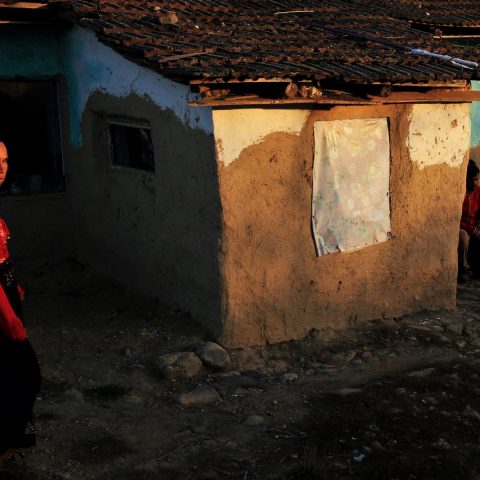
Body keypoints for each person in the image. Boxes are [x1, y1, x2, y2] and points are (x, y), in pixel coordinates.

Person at [0, 141, 41, 464]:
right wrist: (10, 319)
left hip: (7, 292)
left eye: (5, 160)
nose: (2, 168)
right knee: (25, 372)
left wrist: (16, 287)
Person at [459, 159, 480, 282]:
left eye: (476, 179)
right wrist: (471, 229)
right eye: (471, 179)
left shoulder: (478, 191)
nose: (474, 182)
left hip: (473, 226)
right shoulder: (459, 193)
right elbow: (455, 219)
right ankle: (463, 269)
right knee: (463, 236)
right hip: (462, 227)